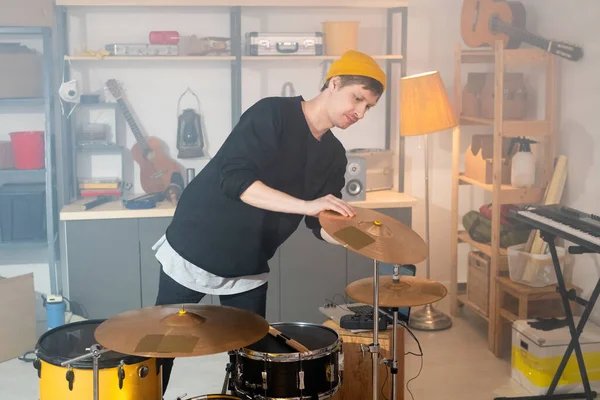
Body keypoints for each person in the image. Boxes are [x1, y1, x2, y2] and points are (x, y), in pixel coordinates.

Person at [152, 49, 386, 394]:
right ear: (334, 83)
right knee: (163, 350)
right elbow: (237, 183)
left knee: (253, 359)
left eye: (368, 107)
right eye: (358, 99)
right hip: (196, 245)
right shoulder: (272, 113)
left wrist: (360, 237)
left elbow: (318, 223)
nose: (361, 113)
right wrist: (307, 205)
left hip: (248, 262)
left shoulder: (334, 155)